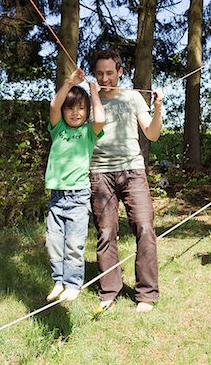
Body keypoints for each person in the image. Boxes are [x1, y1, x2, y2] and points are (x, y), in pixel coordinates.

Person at [89, 49, 164, 312]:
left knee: (144, 227)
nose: (105, 78)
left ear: (120, 71)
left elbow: (152, 134)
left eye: (110, 72)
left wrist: (157, 108)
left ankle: (146, 294)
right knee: (106, 231)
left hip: (132, 170)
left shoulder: (132, 97)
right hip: (99, 173)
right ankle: (109, 290)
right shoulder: (89, 100)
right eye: (99, 73)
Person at [45, 68, 105, 302]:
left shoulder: (89, 132)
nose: (75, 113)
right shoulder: (58, 129)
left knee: (73, 244)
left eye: (81, 108)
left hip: (78, 197)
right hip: (56, 197)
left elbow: (100, 119)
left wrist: (94, 92)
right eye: (70, 108)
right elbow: (53, 106)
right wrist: (70, 82)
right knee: (54, 243)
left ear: (87, 111)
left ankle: (73, 284)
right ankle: (59, 281)